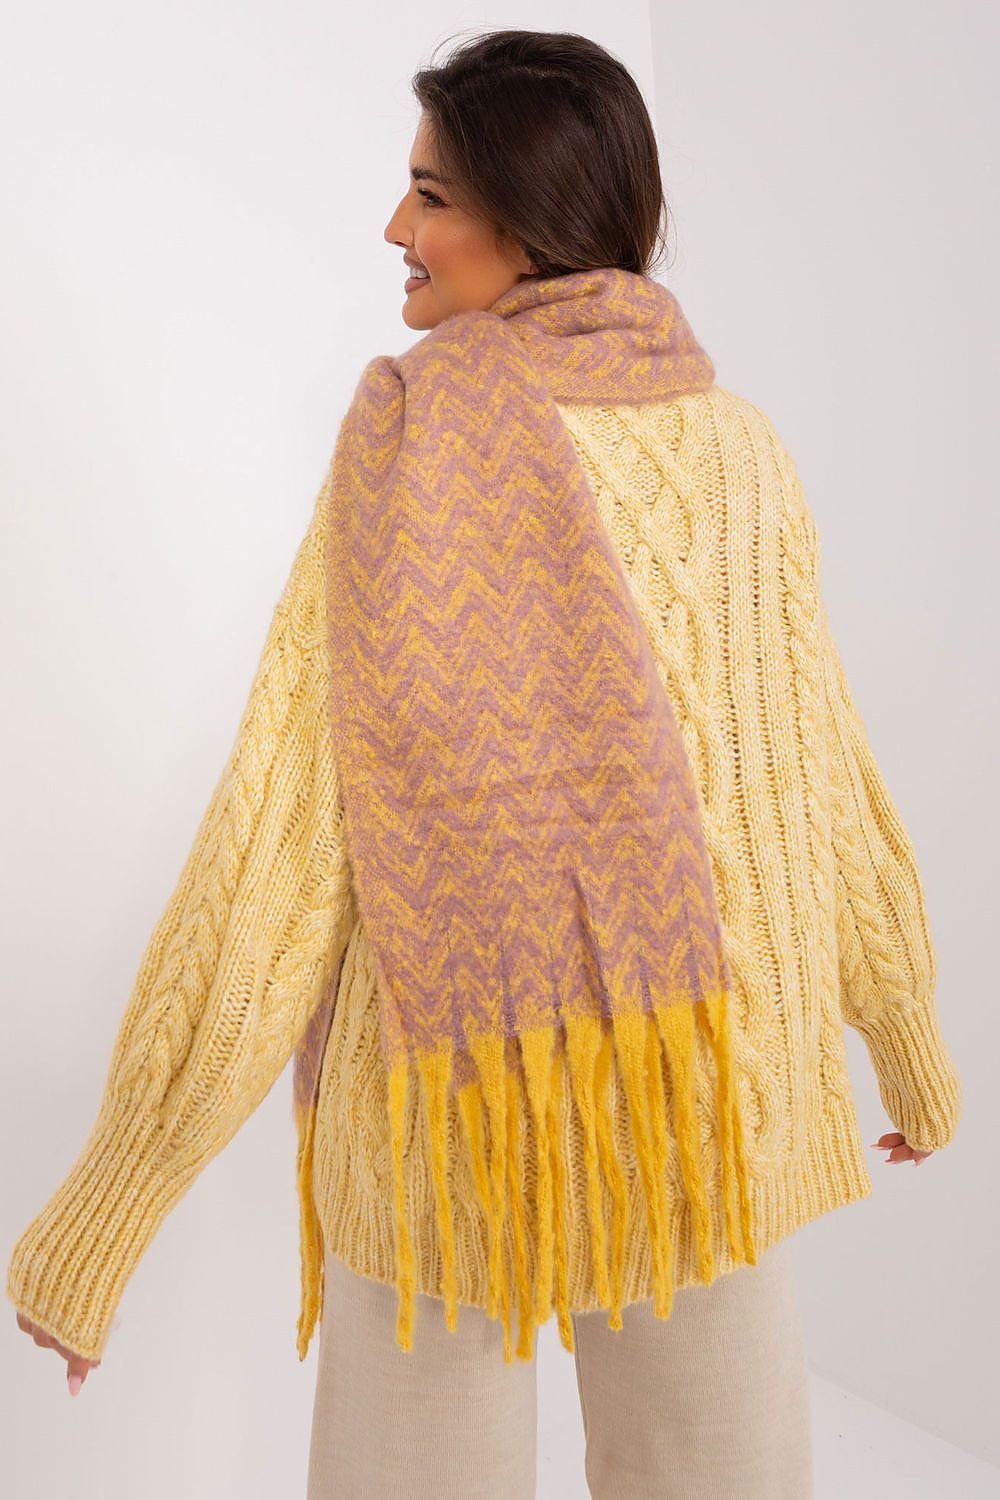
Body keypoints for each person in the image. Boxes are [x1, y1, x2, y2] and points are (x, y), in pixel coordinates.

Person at [8, 28, 960, 1500]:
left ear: (532, 217)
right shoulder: (738, 448)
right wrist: (901, 1029)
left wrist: (111, 1205)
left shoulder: (420, 452)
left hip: (462, 1106)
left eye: (433, 194)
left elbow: (282, 848)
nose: (395, 225)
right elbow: (812, 772)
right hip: (703, 1086)